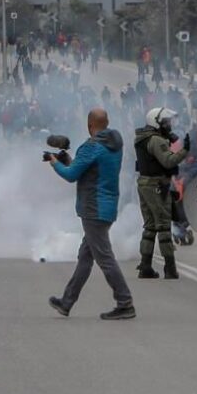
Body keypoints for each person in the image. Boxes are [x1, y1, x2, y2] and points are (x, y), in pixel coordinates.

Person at [47, 108, 135, 320]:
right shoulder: (115, 144)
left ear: (89, 126)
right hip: (108, 205)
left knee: (104, 257)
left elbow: (71, 175)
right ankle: (67, 302)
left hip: (93, 208)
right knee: (85, 257)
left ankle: (125, 303)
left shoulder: (91, 147)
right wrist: (70, 161)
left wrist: (55, 163)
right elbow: (88, 169)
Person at [134, 107, 190, 279]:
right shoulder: (157, 140)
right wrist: (184, 150)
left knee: (150, 226)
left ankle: (145, 266)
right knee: (164, 226)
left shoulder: (143, 138)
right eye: (165, 122)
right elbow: (168, 161)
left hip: (145, 183)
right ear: (156, 123)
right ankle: (170, 267)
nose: (169, 125)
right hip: (156, 185)